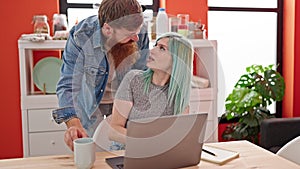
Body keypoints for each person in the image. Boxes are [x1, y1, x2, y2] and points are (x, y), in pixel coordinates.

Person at [52, 0, 149, 151]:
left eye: (137, 33)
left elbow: (142, 76)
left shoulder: (138, 32)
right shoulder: (81, 36)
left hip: (124, 102)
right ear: (108, 29)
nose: (136, 39)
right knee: (91, 152)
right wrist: (73, 124)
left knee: (125, 153)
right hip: (90, 104)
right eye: (130, 35)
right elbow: (68, 84)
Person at [108, 32, 194, 148]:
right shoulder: (133, 80)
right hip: (128, 153)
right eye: (155, 46)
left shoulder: (179, 96)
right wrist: (146, 142)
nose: (152, 51)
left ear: (177, 61)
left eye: (162, 48)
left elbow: (179, 137)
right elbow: (114, 131)